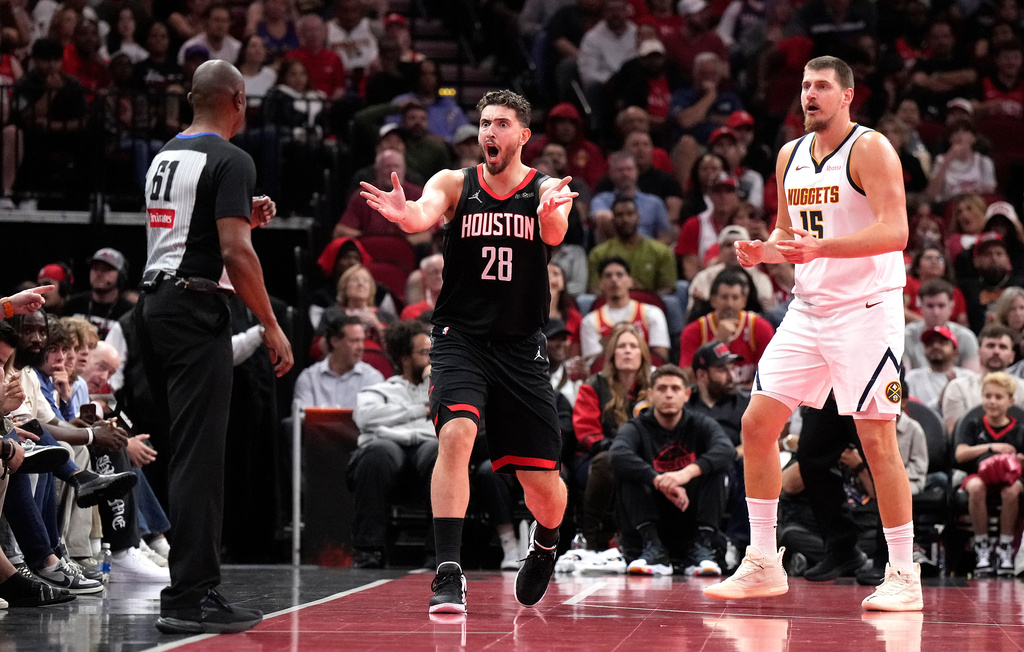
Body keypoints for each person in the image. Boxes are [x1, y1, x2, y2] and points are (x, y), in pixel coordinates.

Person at [703, 56, 922, 612]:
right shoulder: (789, 155)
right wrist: (764, 251)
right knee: (757, 424)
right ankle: (761, 560)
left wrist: (819, 249)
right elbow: (788, 233)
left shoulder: (870, 149)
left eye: (822, 87)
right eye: (805, 86)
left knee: (876, 439)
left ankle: (903, 573)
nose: (810, 95)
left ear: (848, 96)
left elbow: (895, 231)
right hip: (809, 307)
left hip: (865, 309)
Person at [360, 89, 576, 614]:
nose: (489, 133)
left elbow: (555, 229)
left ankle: (545, 543)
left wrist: (551, 211)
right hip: (460, 337)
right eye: (483, 123)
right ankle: (448, 572)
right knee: (456, 434)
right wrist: (405, 213)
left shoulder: (546, 188)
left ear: (522, 136)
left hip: (520, 346)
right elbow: (422, 214)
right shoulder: (456, 182)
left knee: (542, 485)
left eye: (501, 124)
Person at [136, 58, 294, 634]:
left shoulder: (166, 154)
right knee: (200, 459)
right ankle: (190, 596)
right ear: (239, 100)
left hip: (153, 307)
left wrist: (239, 216)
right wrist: (270, 322)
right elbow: (235, 255)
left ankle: (187, 584)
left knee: (185, 454)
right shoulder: (233, 158)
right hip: (193, 310)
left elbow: (182, 231)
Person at [608, 364, 735, 576]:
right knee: (626, 473)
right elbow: (617, 454)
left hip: (690, 513)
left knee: (717, 470)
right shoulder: (637, 426)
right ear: (650, 395)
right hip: (651, 513)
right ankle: (653, 547)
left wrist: (684, 474)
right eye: (662, 389)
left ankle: (703, 547)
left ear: (686, 395)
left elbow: (725, 449)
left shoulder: (701, 423)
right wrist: (658, 480)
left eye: (675, 389)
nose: (668, 395)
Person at [350, 320, 437, 569]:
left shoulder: (439, 389)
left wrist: (433, 388)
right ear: (405, 358)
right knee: (377, 452)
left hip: (427, 450)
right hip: (388, 451)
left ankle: (440, 552)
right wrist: (420, 410)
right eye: (424, 353)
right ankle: (368, 550)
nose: (432, 358)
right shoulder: (381, 389)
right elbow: (365, 417)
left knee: (441, 455)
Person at [954, 372, 1024, 578]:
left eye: (998, 397)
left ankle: (1005, 546)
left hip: (1009, 478)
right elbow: (960, 453)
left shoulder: (1019, 429)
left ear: (1010, 401)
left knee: (1011, 491)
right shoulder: (973, 424)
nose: (992, 401)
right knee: (976, 487)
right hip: (978, 476)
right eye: (988, 396)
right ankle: (981, 544)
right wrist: (991, 447)